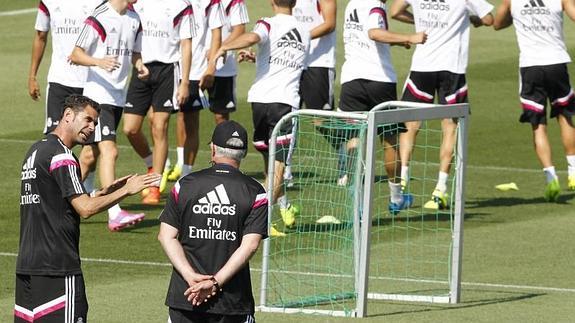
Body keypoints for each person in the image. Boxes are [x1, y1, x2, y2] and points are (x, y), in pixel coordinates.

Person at [15, 95, 160, 323]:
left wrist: (101, 194)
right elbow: (85, 209)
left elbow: (53, 200)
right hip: (58, 267)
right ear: (68, 115)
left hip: (28, 266)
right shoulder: (62, 155)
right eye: (88, 119)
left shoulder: (35, 152)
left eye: (95, 123)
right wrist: (126, 191)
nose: (92, 128)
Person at [212, 0, 310, 233]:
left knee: (270, 164)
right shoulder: (305, 31)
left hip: (260, 102)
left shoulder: (267, 23)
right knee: (279, 167)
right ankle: (257, 220)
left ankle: (282, 209)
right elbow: (292, 65)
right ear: (295, 2)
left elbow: (254, 38)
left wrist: (225, 46)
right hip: (285, 103)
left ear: (272, 1)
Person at [158, 120, 267, 323]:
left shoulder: (185, 185)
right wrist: (215, 283)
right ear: (243, 153)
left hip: (186, 297)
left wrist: (189, 275)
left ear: (213, 149)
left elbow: (166, 236)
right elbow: (250, 245)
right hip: (232, 302)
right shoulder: (255, 191)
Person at [390, 0, 494, 210]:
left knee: (410, 126)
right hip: (452, 68)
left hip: (423, 65)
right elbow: (489, 19)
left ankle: (402, 181)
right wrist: (471, 19)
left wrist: (420, 22)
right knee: (449, 127)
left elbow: (395, 11)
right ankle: (440, 190)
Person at [70, 0, 151, 231]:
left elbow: (134, 53)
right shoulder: (99, 16)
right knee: (110, 150)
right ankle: (114, 213)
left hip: (117, 97)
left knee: (88, 156)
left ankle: (62, 201)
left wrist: (139, 65)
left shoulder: (134, 18)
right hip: (98, 97)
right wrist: (99, 61)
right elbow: (75, 54)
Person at [339, 0, 426, 213]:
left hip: (351, 80)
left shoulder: (352, 5)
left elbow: (367, 37)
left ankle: (357, 204)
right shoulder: (376, 5)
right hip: (379, 81)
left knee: (354, 139)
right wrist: (409, 37)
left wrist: (394, 41)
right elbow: (374, 33)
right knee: (389, 141)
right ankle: (396, 197)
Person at [493, 0, 575, 201]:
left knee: (538, 126)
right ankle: (573, 172)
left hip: (531, 67)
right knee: (565, 116)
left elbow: (497, 23)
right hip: (557, 62)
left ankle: (550, 177)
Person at [123, 0, 195, 204]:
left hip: (168, 70)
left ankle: (154, 185)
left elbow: (186, 44)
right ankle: (151, 165)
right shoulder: (137, 3)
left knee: (159, 126)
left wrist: (185, 82)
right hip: (141, 69)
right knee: (130, 129)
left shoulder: (181, 5)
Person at [166, 0, 225, 182]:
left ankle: (185, 172)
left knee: (189, 120)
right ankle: (164, 165)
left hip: (195, 69)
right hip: (166, 66)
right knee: (158, 120)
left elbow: (217, 34)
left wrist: (210, 68)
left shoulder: (211, 2)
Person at [27, 0, 102, 134]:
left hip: (92, 82)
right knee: (54, 138)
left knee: (92, 146)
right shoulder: (48, 2)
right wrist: (32, 76)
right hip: (59, 81)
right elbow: (40, 36)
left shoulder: (100, 2)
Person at [284, 0, 337, 186]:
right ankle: (286, 171)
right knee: (288, 117)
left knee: (321, 121)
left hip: (319, 63)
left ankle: (346, 161)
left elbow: (330, 23)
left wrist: (301, 37)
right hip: (293, 62)